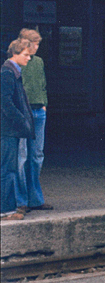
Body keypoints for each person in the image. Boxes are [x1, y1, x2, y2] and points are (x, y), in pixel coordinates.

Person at [16, 29, 52, 213]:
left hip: (38, 111)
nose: (36, 47)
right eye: (33, 43)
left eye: (38, 44)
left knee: (36, 156)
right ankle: (21, 200)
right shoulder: (17, 62)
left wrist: (44, 102)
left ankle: (35, 199)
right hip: (24, 112)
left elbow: (42, 83)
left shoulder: (38, 62)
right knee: (22, 157)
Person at [1, 39, 35, 221]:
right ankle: (5, 210)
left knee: (10, 168)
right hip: (8, 130)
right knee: (7, 169)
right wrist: (21, 120)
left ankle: (8, 207)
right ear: (15, 54)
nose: (29, 58)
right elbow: (5, 102)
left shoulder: (13, 72)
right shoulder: (8, 73)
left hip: (10, 130)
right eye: (26, 55)